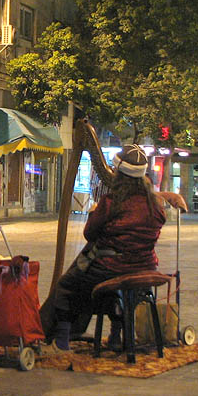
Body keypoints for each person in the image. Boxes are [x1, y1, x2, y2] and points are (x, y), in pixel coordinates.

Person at [40, 144, 170, 356]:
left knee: (66, 285)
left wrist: (93, 213)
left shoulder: (112, 202)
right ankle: (116, 337)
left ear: (119, 174)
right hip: (145, 265)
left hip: (112, 266)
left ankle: (61, 342)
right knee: (108, 290)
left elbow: (90, 234)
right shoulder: (155, 204)